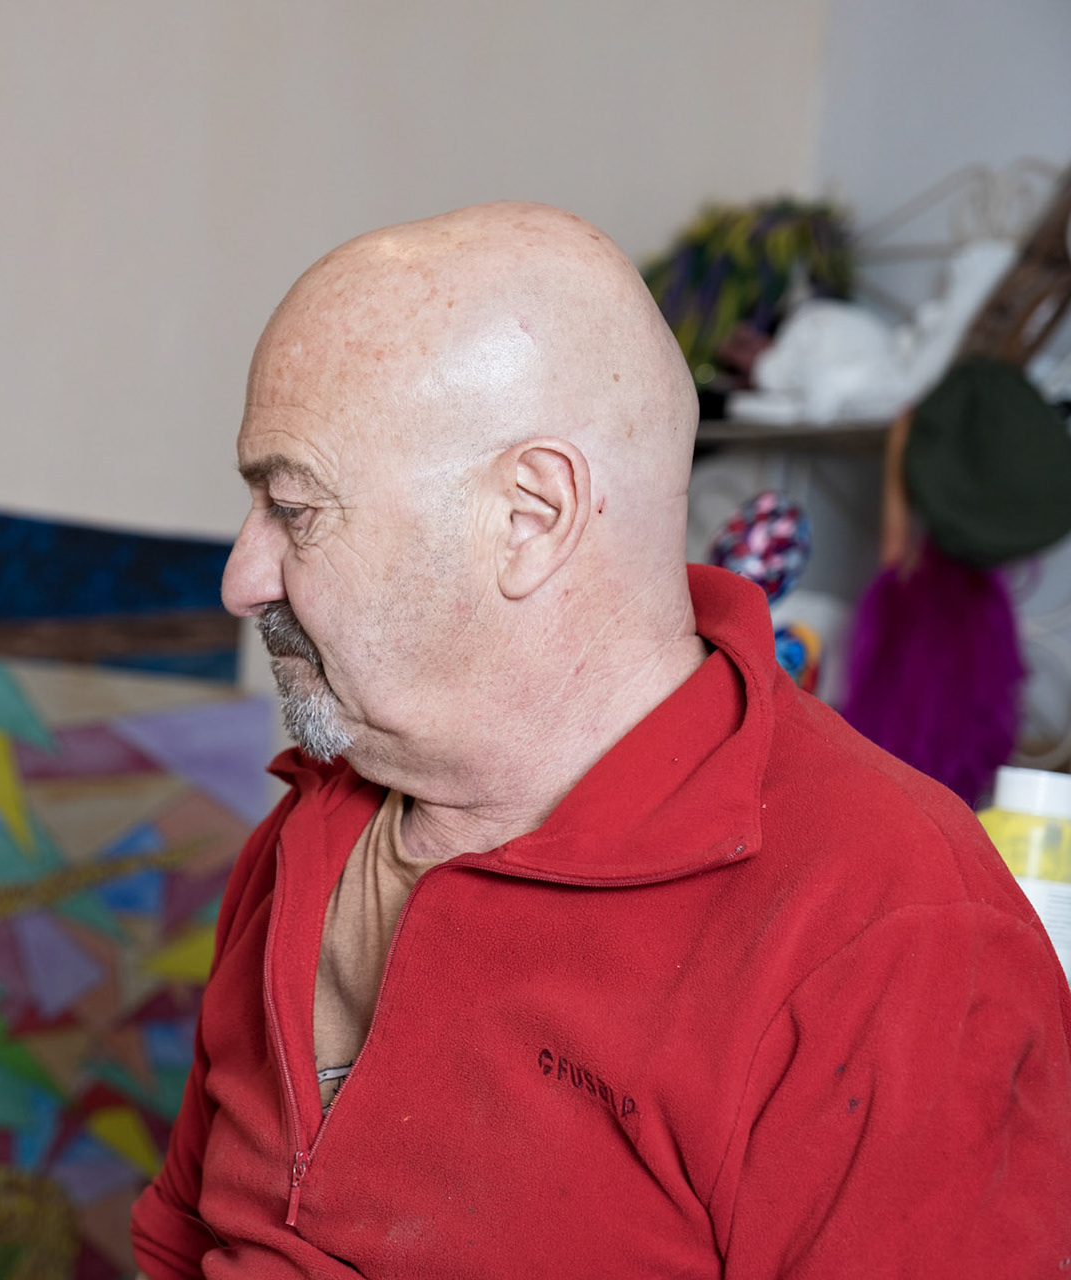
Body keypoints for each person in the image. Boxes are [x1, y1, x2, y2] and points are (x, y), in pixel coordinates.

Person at [129, 203, 1071, 1278]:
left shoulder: (890, 931)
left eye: (294, 509)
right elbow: (179, 1235)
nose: (241, 578)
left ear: (530, 515)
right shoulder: (311, 821)